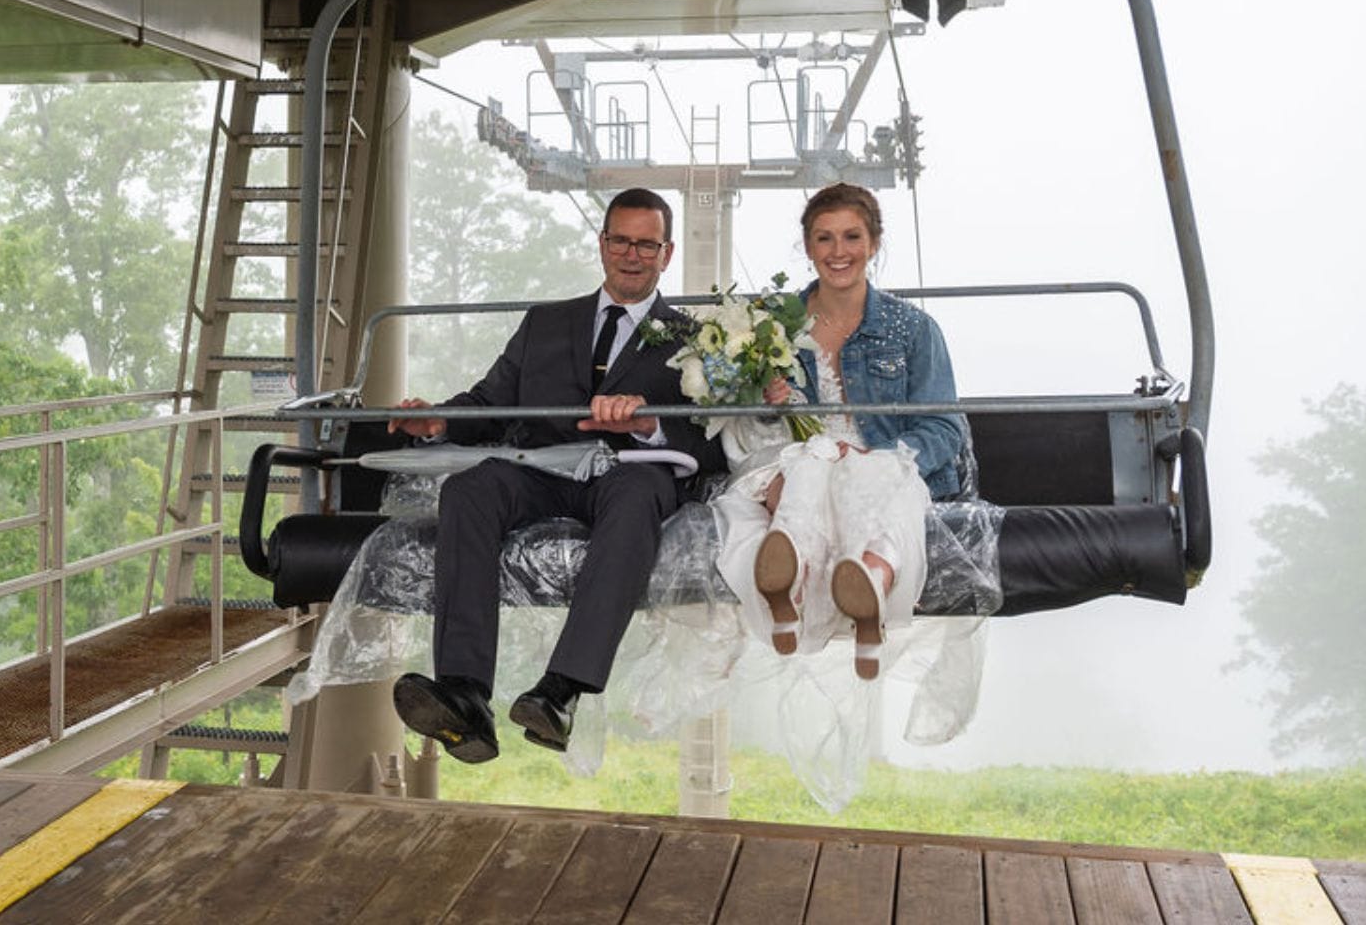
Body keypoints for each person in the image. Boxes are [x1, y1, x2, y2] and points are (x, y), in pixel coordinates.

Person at [385, 187, 725, 763]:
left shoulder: (695, 338)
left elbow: (714, 442)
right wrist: (439, 421)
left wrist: (648, 426)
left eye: (647, 244)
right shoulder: (545, 323)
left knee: (639, 494)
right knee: (471, 487)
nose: (632, 254)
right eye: (621, 240)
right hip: (544, 468)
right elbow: (490, 401)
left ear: (666, 255)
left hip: (630, 472)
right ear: (602, 245)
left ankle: (561, 692)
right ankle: (466, 694)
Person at [713, 182, 972, 679]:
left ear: (873, 243)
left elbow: (943, 426)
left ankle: (866, 576)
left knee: (877, 478)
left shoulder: (912, 330)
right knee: (808, 469)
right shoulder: (772, 328)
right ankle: (792, 575)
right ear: (807, 247)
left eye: (851, 237)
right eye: (824, 239)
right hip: (797, 457)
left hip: (879, 458)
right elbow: (746, 424)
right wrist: (768, 404)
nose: (839, 253)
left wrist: (885, 455)